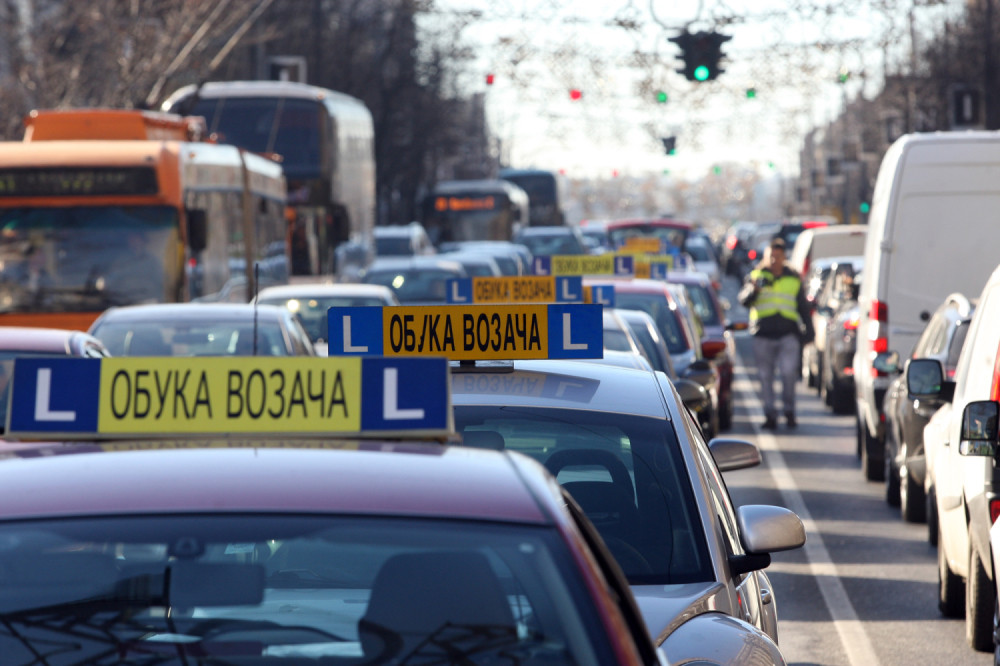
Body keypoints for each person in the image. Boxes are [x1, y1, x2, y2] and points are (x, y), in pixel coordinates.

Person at [738, 237, 814, 430]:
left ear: (784, 258)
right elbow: (744, 301)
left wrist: (809, 332)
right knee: (766, 377)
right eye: (771, 256)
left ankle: (789, 411)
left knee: (789, 374)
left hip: (788, 335)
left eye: (778, 257)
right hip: (763, 334)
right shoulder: (756, 276)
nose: (774, 260)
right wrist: (753, 290)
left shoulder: (793, 278)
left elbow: (803, 308)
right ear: (766, 257)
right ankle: (770, 415)